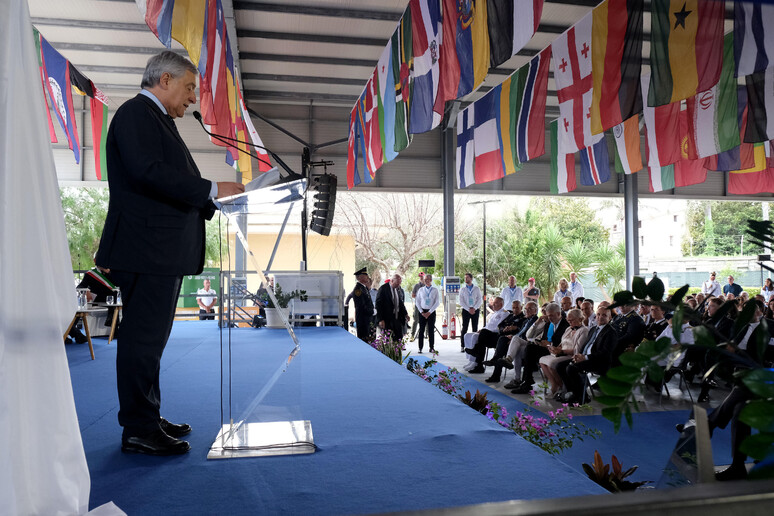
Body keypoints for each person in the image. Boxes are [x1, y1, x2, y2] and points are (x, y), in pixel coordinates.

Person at [95, 51, 245, 456]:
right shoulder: (135, 115)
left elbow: (167, 181)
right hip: (145, 251)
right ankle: (139, 428)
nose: (193, 98)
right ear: (164, 79)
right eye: (189, 87)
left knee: (151, 343)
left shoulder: (154, 118)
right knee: (142, 342)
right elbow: (149, 173)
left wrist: (213, 199)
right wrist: (211, 190)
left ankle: (148, 414)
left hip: (156, 251)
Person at [557, 305, 618, 404]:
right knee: (560, 366)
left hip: (599, 361)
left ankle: (581, 397)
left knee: (572, 368)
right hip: (586, 357)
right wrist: (579, 355)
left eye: (604, 315)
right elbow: (586, 345)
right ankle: (573, 392)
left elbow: (605, 353)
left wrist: (585, 357)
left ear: (610, 317)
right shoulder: (593, 329)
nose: (600, 317)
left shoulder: (611, 332)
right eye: (598, 314)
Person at [539, 308, 588, 398]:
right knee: (542, 360)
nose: (569, 322)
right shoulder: (569, 328)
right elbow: (563, 342)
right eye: (568, 320)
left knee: (552, 363)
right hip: (562, 352)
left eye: (571, 320)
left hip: (571, 355)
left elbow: (577, 349)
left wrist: (562, 351)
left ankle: (562, 387)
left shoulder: (584, 330)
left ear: (580, 319)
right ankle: (555, 384)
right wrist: (555, 348)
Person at [375, 274, 409, 342]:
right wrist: (380, 319)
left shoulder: (398, 289)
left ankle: (397, 351)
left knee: (399, 337)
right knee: (389, 339)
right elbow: (378, 305)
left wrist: (406, 314)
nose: (398, 285)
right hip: (387, 319)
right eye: (397, 283)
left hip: (397, 318)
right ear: (392, 281)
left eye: (400, 283)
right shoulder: (383, 289)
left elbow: (400, 303)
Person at [415, 273, 440, 353]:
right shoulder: (421, 290)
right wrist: (422, 312)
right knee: (421, 330)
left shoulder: (435, 290)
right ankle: (420, 347)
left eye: (428, 279)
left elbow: (437, 302)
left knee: (431, 330)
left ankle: (431, 347)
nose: (426, 281)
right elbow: (417, 301)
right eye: (425, 279)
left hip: (431, 312)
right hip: (422, 312)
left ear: (431, 280)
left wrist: (429, 312)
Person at [458, 272, 482, 352]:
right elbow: (461, 301)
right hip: (466, 310)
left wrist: (474, 308)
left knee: (475, 327)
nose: (466, 279)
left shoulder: (476, 289)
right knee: (464, 328)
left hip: (475, 310)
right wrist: (468, 309)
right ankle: (462, 345)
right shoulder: (462, 289)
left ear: (471, 279)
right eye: (465, 278)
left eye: (467, 277)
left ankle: (474, 345)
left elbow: (479, 300)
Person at [349, 268, 374, 342]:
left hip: (367, 318)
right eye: (365, 275)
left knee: (368, 338)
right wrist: (371, 311)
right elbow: (361, 306)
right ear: (360, 277)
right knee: (363, 338)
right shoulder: (358, 289)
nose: (367, 277)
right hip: (363, 319)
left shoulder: (364, 287)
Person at [410, 272, 426, 341]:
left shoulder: (427, 285)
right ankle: (412, 335)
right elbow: (413, 295)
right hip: (418, 305)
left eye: (422, 276)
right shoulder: (416, 286)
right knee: (416, 320)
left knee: (427, 320)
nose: (421, 278)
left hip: (426, 305)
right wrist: (419, 296)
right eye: (420, 277)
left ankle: (428, 335)